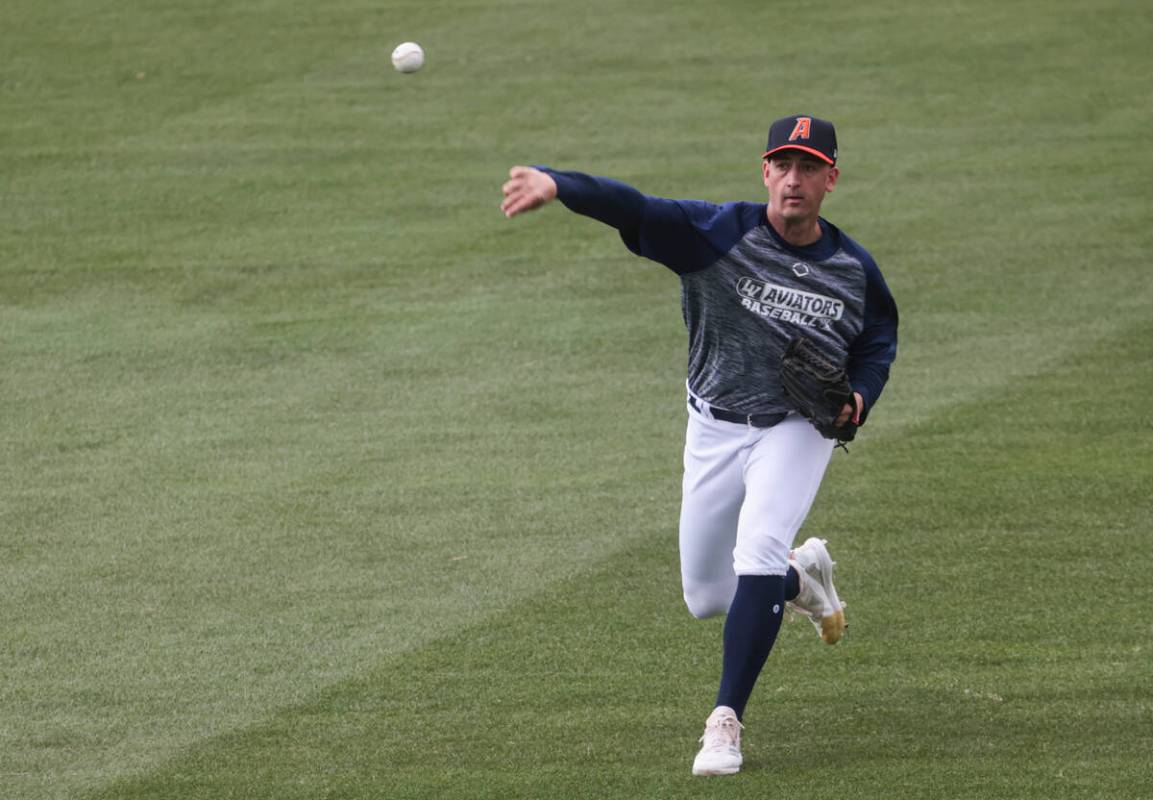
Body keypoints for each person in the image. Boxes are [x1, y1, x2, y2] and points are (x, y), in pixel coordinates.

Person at [500, 115, 898, 776]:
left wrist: (860, 392)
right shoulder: (717, 234)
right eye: (782, 165)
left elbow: (878, 337)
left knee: (757, 551)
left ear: (830, 177)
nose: (793, 179)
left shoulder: (853, 269)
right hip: (712, 426)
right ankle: (803, 579)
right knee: (707, 595)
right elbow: (634, 207)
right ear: (764, 171)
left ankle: (724, 723)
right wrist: (559, 185)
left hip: (795, 427)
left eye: (808, 167)